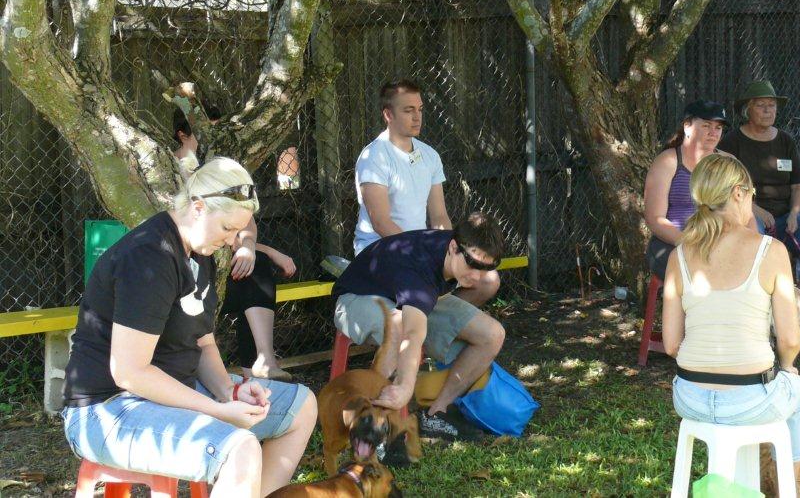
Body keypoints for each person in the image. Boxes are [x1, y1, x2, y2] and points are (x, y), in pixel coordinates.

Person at [61, 158, 317, 497]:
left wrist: (229, 392)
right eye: (227, 228)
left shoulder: (199, 253)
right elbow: (130, 372)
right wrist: (218, 411)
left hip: (174, 391)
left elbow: (203, 342)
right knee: (239, 449)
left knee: (301, 406)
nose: (232, 241)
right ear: (198, 208)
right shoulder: (149, 256)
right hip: (108, 408)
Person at [663, 152, 800, 488]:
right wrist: (788, 367)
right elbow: (789, 340)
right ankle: (790, 482)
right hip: (752, 398)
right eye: (752, 193)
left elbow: (671, 344)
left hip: (689, 398)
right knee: (798, 390)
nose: (752, 200)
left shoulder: (678, 256)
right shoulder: (770, 250)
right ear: (738, 193)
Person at [333, 211, 506, 441]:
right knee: (397, 329)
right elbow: (412, 334)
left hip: (404, 298)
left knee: (492, 335)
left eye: (486, 268)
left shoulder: (457, 249)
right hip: (356, 297)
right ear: (453, 247)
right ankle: (368, 422)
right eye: (472, 264)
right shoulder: (420, 270)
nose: (477, 276)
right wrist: (405, 387)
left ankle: (436, 413)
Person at [348, 79, 498, 307]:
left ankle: (438, 317)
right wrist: (423, 256)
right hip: (382, 252)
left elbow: (439, 216)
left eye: (420, 109)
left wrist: (450, 251)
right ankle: (422, 316)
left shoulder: (430, 155)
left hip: (421, 252)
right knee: (420, 290)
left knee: (488, 280)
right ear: (388, 115)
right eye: (408, 110)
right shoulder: (374, 156)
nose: (417, 117)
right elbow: (380, 222)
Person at [173, 110, 297, 381]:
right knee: (251, 269)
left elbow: (242, 224)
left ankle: (264, 362)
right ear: (183, 135)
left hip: (222, 266)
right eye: (206, 132)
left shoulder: (219, 170)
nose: (214, 140)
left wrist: (249, 245)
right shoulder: (170, 174)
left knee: (252, 265)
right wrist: (270, 251)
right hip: (186, 274)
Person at [718, 80, 800, 291]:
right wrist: (755, 210)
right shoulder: (732, 142)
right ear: (747, 110)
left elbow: (799, 186)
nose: (768, 110)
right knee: (754, 234)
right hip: (748, 214)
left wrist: (794, 214)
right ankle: (759, 291)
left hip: (785, 217)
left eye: (772, 105)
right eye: (761, 105)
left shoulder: (786, 141)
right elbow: (724, 187)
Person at [643, 100, 728, 278]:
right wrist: (690, 243)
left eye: (718, 127)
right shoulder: (668, 161)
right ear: (687, 126)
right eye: (706, 125)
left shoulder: (728, 163)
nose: (713, 133)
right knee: (701, 275)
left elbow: (746, 213)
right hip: (674, 242)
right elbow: (654, 218)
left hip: (720, 242)